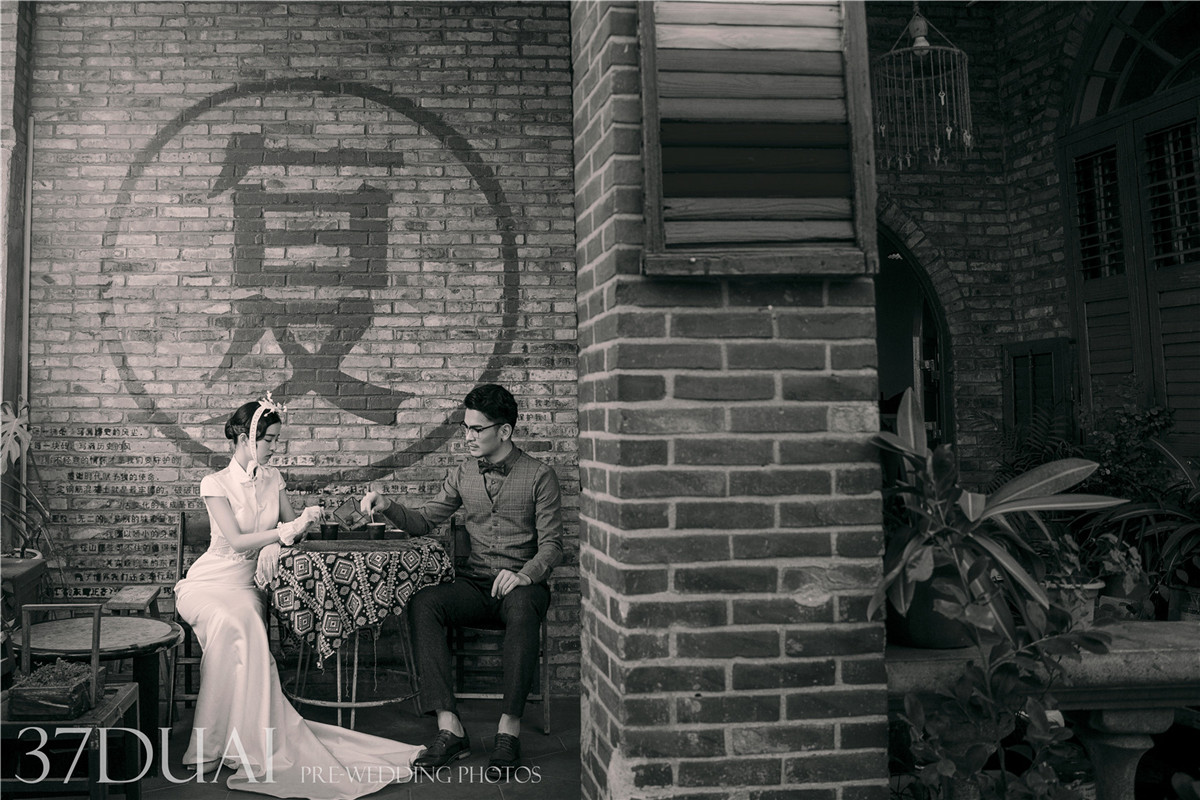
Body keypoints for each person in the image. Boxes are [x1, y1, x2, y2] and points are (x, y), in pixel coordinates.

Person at [174, 395, 422, 799]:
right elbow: (236, 541)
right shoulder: (214, 484)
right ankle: (212, 742)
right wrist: (280, 534)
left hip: (247, 585)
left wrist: (297, 528)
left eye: (276, 439)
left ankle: (235, 742)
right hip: (209, 583)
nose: (275, 447)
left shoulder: (273, 478)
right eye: (269, 439)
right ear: (245, 438)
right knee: (232, 622)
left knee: (245, 621)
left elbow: (293, 530)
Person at [360, 383, 563, 774]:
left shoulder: (541, 475)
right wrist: (387, 505)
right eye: (465, 428)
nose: (468, 436)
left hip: (523, 588)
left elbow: (553, 546)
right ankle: (449, 726)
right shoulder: (463, 473)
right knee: (425, 603)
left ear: (504, 431)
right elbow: (423, 520)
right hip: (476, 584)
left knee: (523, 608)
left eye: (477, 429)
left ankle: (509, 730)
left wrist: (524, 576)